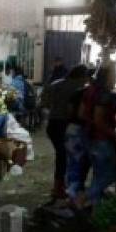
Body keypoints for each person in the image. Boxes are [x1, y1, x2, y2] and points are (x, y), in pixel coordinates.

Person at [74, 63, 116, 206]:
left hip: (89, 137)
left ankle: (95, 208)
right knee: (109, 175)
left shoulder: (90, 90)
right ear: (107, 76)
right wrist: (114, 134)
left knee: (98, 173)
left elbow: (81, 114)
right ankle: (82, 198)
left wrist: (92, 124)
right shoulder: (103, 94)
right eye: (114, 73)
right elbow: (99, 119)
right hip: (101, 139)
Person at [41, 65, 89, 199]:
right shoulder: (79, 88)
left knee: (62, 155)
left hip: (52, 124)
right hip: (66, 124)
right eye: (85, 77)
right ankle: (61, 187)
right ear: (81, 76)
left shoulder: (55, 84)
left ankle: (60, 186)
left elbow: (44, 103)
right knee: (68, 156)